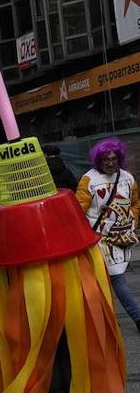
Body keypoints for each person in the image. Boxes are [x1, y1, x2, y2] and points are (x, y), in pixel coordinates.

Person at [76, 138, 140, 332]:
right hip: (97, 241)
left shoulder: (128, 178)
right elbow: (78, 210)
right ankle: (136, 318)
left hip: (122, 240)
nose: (110, 162)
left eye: (114, 158)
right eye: (106, 159)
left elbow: (135, 203)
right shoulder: (89, 180)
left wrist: (131, 221)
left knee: (107, 280)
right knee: (115, 279)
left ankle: (108, 320)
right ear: (99, 160)